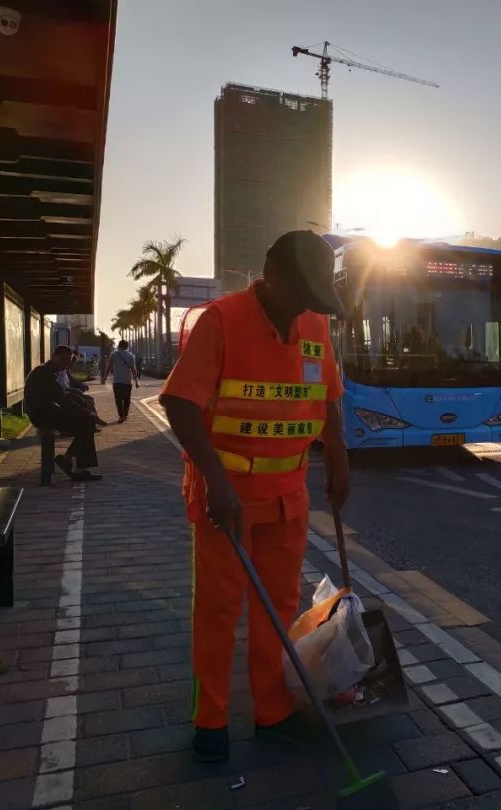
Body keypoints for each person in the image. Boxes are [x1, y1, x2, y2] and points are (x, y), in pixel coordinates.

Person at [160, 230, 349, 764]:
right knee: (218, 610)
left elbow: (327, 397)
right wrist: (215, 482)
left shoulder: (313, 324)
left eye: (312, 300)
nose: (304, 309)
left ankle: (272, 710)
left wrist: (339, 457)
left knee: (279, 609)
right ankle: (211, 719)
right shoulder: (222, 321)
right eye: (299, 295)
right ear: (271, 273)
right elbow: (180, 404)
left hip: (288, 494)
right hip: (228, 498)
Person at [25, 346, 102, 481]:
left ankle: (70, 461)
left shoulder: (50, 371)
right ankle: (75, 466)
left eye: (68, 360)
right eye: (63, 359)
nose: (65, 363)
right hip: (42, 415)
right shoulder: (45, 373)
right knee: (87, 422)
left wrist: (84, 410)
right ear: (53, 356)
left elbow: (62, 396)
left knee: (86, 423)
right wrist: (87, 413)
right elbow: (62, 399)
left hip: (48, 410)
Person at [103, 339, 140, 422]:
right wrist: (136, 381)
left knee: (118, 399)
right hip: (127, 381)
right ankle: (125, 415)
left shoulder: (113, 354)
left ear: (119, 345)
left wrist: (105, 377)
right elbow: (133, 369)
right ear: (127, 346)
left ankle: (121, 416)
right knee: (127, 398)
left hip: (117, 381)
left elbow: (109, 367)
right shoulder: (131, 356)